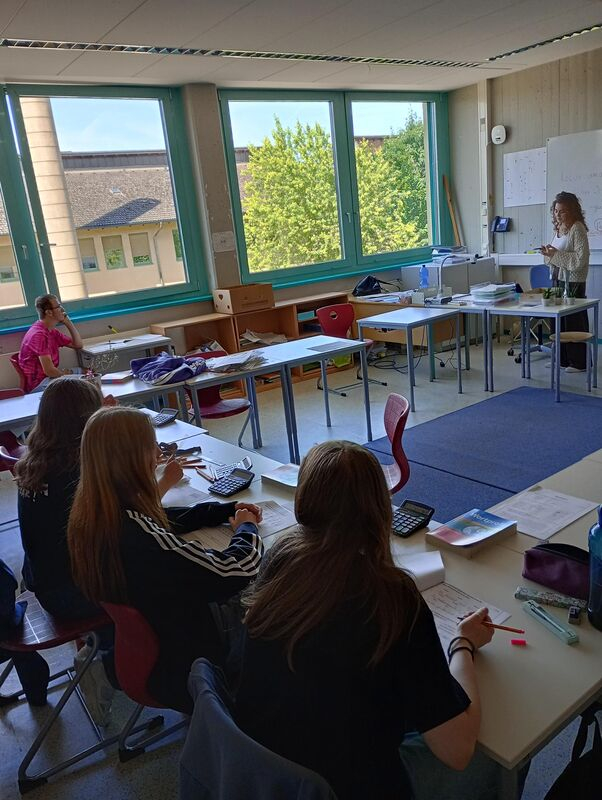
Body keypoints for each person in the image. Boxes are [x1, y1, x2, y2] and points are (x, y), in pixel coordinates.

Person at [235, 441, 496, 800]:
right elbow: (457, 750)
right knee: (499, 756)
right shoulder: (391, 598)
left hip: (269, 775)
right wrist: (462, 645)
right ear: (380, 509)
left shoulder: (280, 559)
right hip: (350, 787)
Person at [68, 406, 263, 713]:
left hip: (157, 637)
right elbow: (237, 569)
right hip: (189, 657)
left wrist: (222, 510)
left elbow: (159, 519)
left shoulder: (94, 514)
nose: (158, 456)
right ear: (136, 459)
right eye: (154, 447)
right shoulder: (143, 540)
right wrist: (247, 527)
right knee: (272, 593)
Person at [541, 191, 590, 372]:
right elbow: (555, 257)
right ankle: (560, 359)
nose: (558, 215)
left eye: (562, 211)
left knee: (573, 321)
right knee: (558, 320)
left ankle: (579, 362)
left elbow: (580, 260)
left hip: (573, 282)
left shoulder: (577, 228)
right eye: (555, 211)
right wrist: (548, 254)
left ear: (572, 211)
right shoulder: (559, 229)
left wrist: (555, 255)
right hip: (557, 279)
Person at [17, 294, 83, 393]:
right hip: (40, 384)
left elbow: (78, 345)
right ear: (49, 312)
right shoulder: (39, 335)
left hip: (50, 377)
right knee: (83, 383)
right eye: (58, 306)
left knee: (86, 372)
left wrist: (67, 322)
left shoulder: (51, 331)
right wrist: (67, 376)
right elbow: (49, 371)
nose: (62, 309)